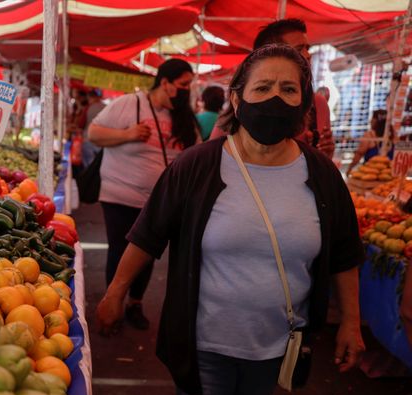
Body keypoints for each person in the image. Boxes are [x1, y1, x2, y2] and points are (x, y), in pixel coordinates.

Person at [96, 44, 364, 395]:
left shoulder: (322, 176)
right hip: (204, 342)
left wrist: (350, 320)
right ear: (238, 100)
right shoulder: (197, 166)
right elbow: (148, 233)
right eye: (263, 88)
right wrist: (115, 292)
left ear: (305, 103)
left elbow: (344, 253)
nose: (276, 100)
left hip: (275, 344)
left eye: (289, 90)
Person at [88, 59, 199, 329]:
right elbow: (94, 133)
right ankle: (111, 304)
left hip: (157, 201)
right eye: (183, 84)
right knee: (119, 249)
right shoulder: (129, 104)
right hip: (119, 194)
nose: (187, 90)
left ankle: (134, 304)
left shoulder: (182, 115)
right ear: (165, 82)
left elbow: (196, 150)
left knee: (148, 252)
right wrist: (128, 134)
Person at [209, 19, 335, 159]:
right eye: (299, 49)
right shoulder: (242, 105)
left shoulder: (318, 104)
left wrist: (322, 155)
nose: (307, 55)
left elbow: (322, 157)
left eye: (289, 90)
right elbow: (211, 157)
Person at [346, 109, 394, 175]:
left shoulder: (369, 135)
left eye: (372, 118)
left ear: (375, 120)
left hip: (370, 174)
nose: (370, 121)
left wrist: (349, 168)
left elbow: (359, 154)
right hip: (389, 173)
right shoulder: (393, 136)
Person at [81, 89, 104, 168]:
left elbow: (81, 124)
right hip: (102, 141)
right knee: (98, 165)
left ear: (90, 97)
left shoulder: (88, 108)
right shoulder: (106, 107)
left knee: (88, 166)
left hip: (88, 140)